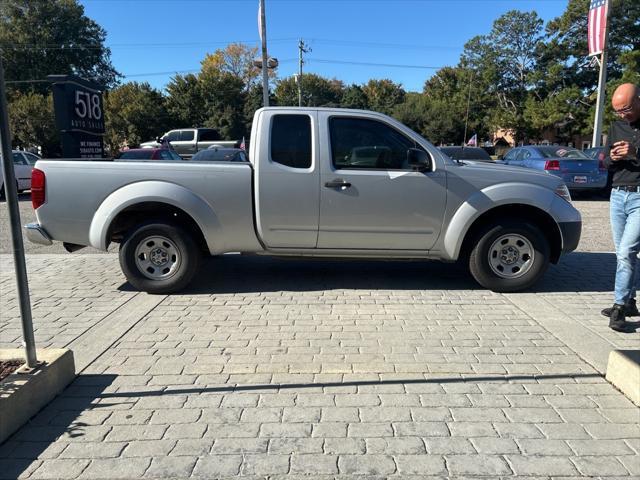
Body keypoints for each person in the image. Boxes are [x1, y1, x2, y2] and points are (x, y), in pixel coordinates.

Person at [601, 83, 640, 332]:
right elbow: (605, 162)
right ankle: (630, 301)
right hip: (618, 195)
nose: (621, 115)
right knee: (623, 254)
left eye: (625, 109)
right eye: (617, 111)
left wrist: (636, 151)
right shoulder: (616, 127)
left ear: (638, 101)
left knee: (626, 251)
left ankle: (619, 307)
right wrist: (611, 159)